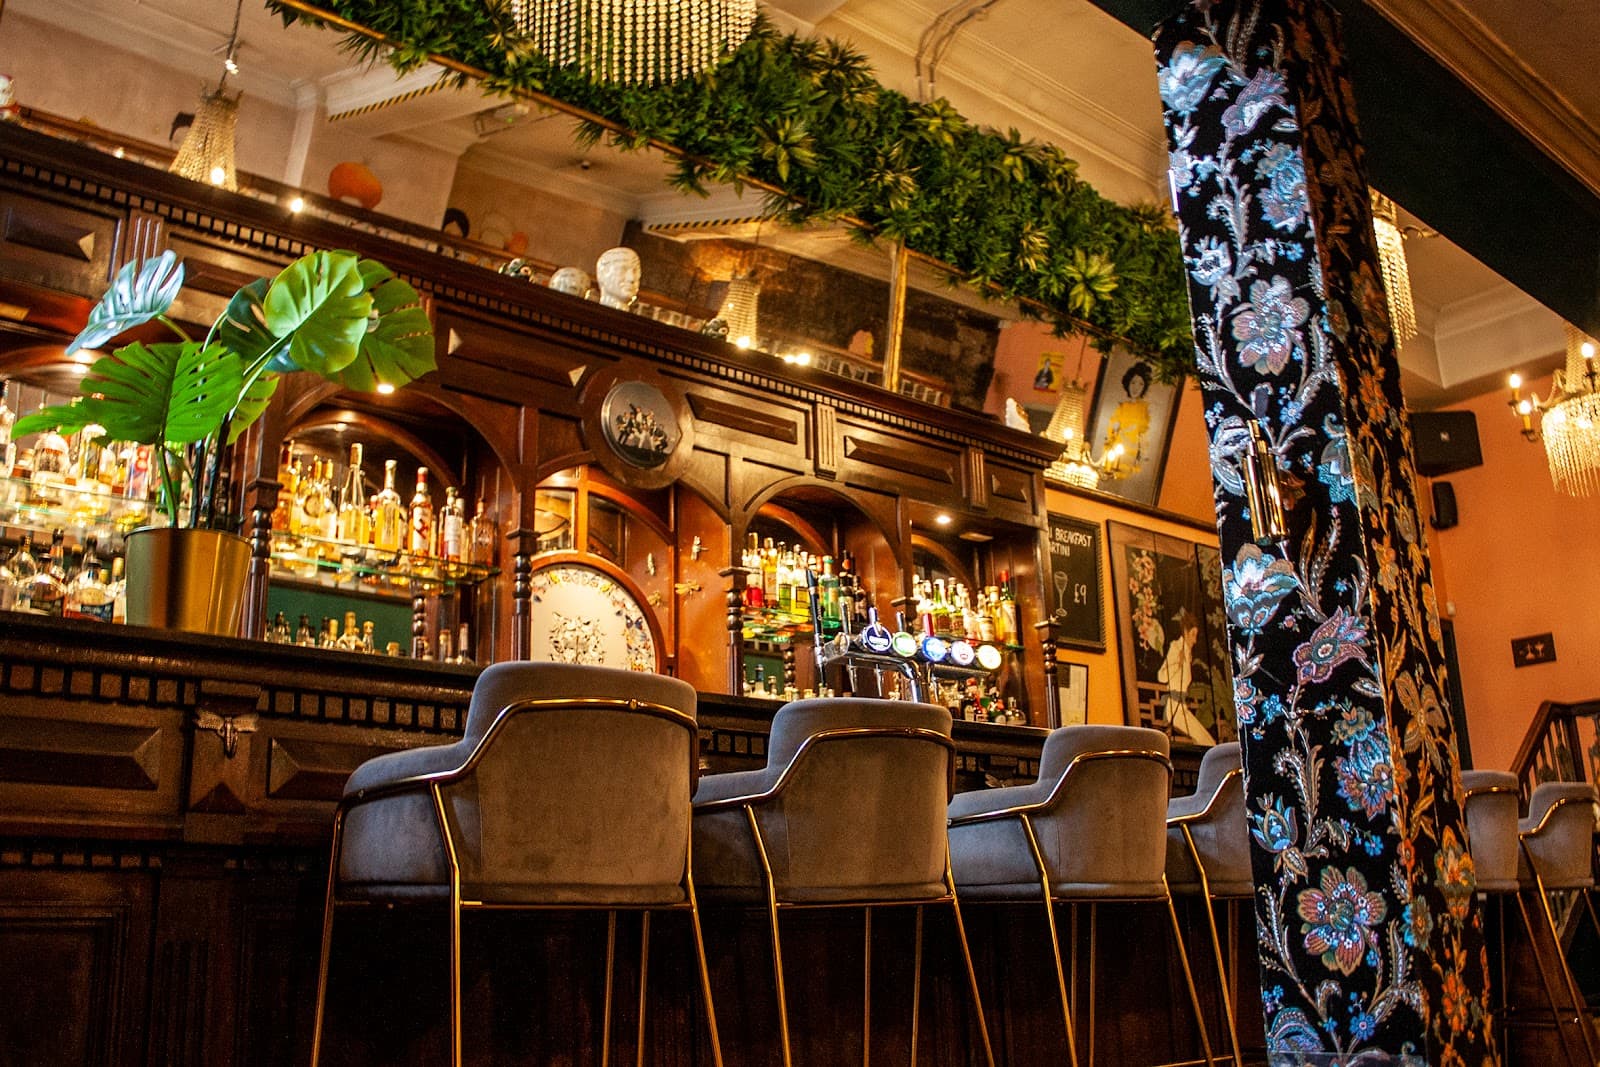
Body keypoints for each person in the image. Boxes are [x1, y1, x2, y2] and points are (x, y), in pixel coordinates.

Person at [1157, 608, 1215, 745]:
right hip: (1174, 708)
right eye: (1193, 634)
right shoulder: (1176, 647)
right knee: (1205, 742)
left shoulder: (1188, 652)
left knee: (1207, 741)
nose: (1195, 640)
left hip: (1182, 707)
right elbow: (1162, 676)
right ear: (1185, 632)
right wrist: (1177, 663)